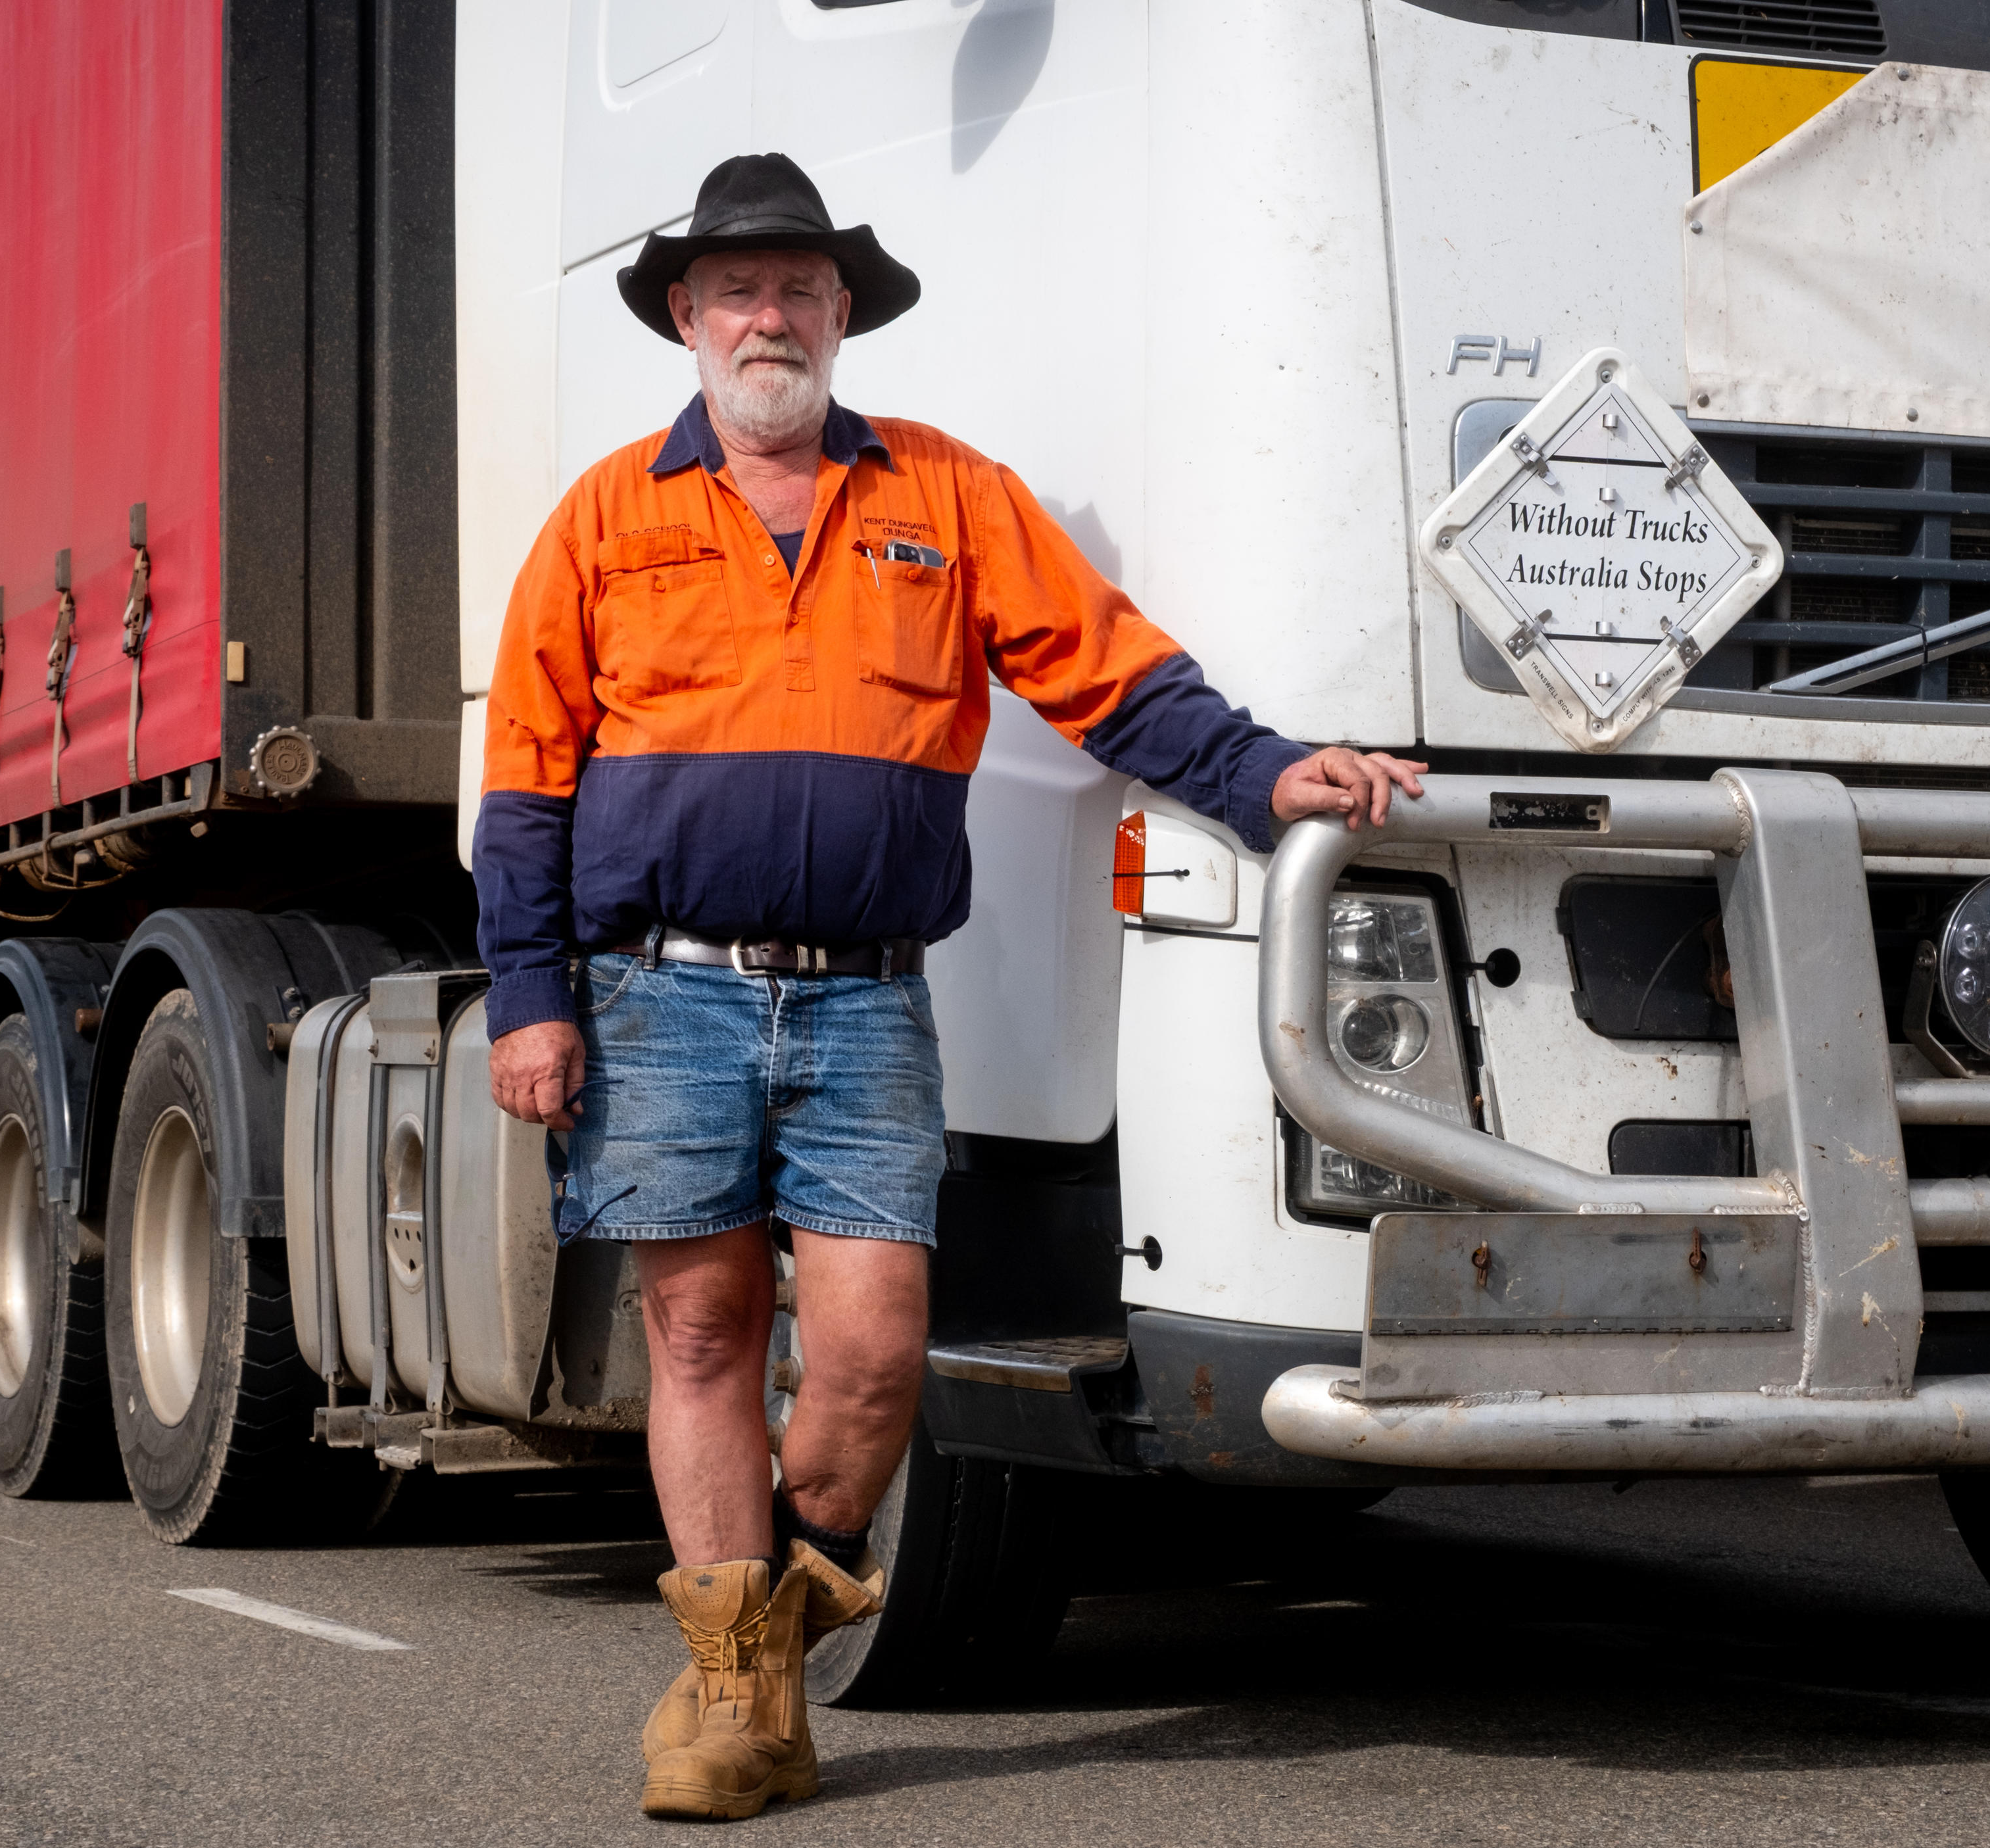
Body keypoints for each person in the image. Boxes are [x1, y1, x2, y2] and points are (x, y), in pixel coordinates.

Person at [472, 152, 1426, 1822]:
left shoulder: (947, 496)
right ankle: (732, 1687)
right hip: (661, 995)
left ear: (842, 314)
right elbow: (528, 783)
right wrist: (531, 996)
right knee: (702, 1330)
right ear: (685, 319)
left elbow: (1115, 678)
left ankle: (803, 1581)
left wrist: (1270, 776)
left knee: (874, 1349)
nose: (768, 315)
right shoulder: (608, 516)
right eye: (735, 289)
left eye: (798, 288)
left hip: (865, 999)